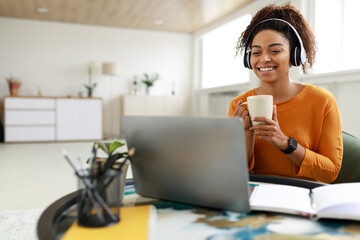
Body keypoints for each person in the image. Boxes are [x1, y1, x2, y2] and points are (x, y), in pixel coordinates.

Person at [228, 4, 342, 183]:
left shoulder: (322, 101)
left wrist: (284, 143)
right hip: (254, 195)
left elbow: (330, 172)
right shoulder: (239, 104)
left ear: (295, 54)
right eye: (256, 52)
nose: (264, 59)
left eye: (275, 51)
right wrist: (245, 134)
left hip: (301, 195)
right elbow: (231, 173)